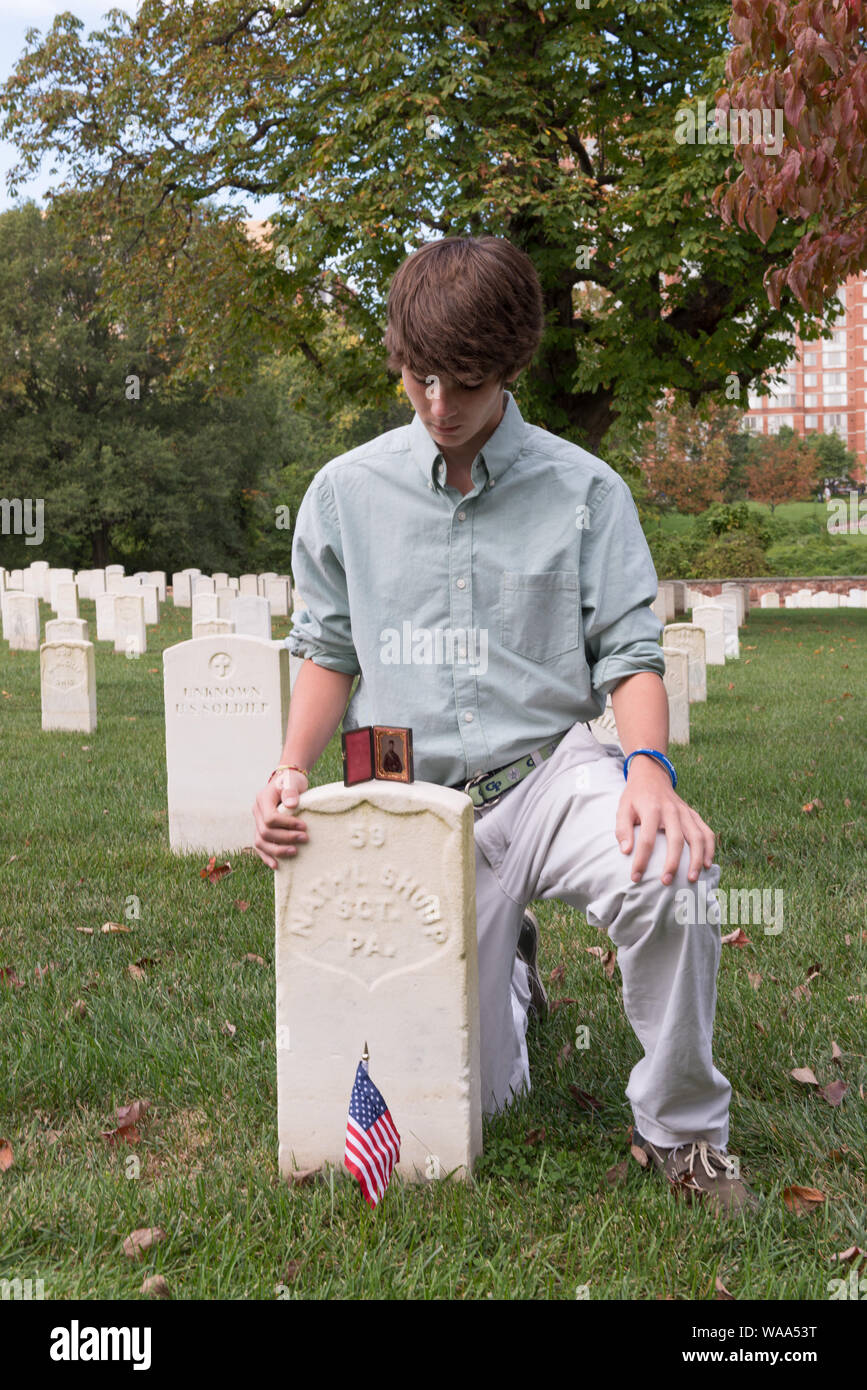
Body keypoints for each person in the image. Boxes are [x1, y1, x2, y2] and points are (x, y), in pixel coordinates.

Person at [252, 236, 756, 1216]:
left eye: (469, 384)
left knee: (674, 874)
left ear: (513, 370)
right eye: (422, 378)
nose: (441, 407)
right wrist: (287, 767)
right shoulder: (346, 494)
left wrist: (648, 771)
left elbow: (630, 654)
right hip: (415, 804)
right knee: (475, 1104)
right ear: (399, 360)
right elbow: (328, 646)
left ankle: (686, 1134)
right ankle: (513, 981)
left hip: (552, 775)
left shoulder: (585, 493)